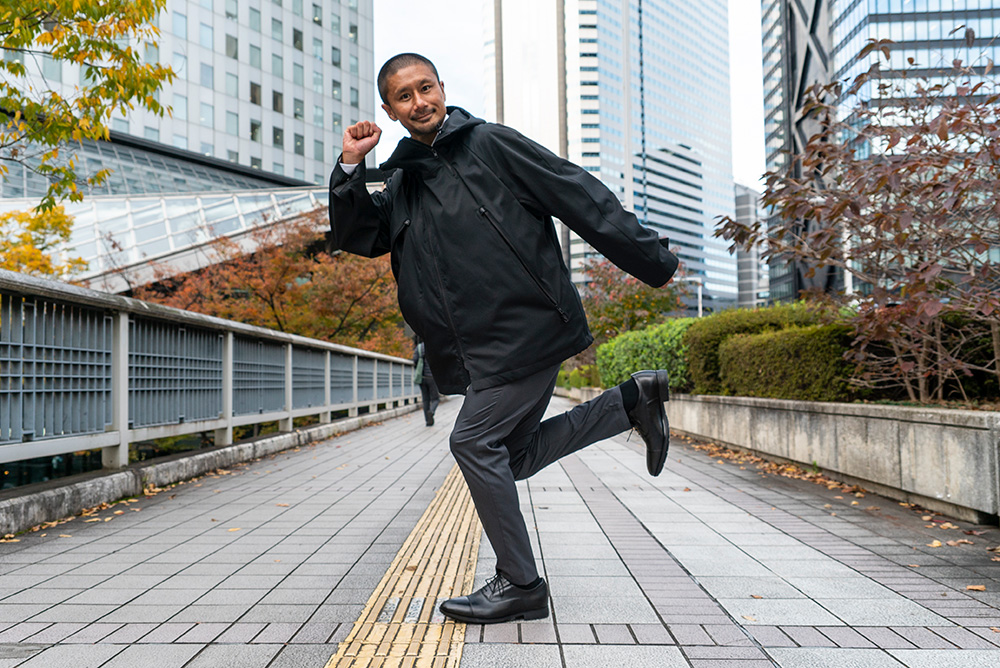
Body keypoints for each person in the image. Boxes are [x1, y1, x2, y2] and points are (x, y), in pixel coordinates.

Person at [329, 53, 679, 625]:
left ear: (443, 87)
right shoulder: (398, 179)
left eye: (425, 88)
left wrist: (652, 258)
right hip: (472, 350)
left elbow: (575, 191)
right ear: (390, 111)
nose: (419, 102)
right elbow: (359, 236)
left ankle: (521, 583)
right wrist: (349, 167)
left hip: (527, 328)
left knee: (472, 443)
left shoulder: (490, 145)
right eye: (404, 97)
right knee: (508, 456)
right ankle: (631, 402)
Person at [413, 336, 439, 426]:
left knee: (425, 400)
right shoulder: (434, 346)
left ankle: (428, 421)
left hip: (422, 377)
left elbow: (415, 360)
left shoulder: (419, 347)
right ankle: (431, 411)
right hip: (432, 377)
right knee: (435, 399)